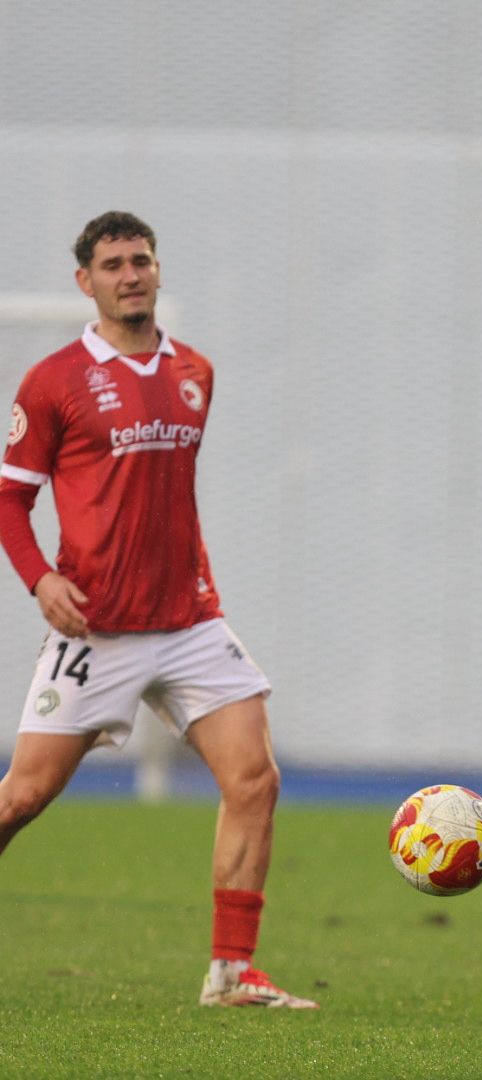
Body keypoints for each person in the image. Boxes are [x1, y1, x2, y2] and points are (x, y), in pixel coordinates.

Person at [0, 212, 315, 1009]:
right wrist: (41, 581)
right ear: (86, 282)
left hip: (190, 623)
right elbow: (10, 499)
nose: (131, 274)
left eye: (140, 260)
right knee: (21, 798)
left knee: (255, 779)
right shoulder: (52, 381)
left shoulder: (195, 371)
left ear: (157, 269)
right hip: (96, 628)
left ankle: (232, 973)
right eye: (112, 265)